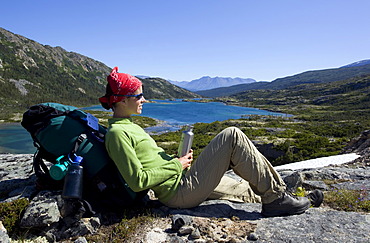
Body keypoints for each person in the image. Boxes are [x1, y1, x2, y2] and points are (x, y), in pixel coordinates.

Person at [99, 67, 322, 217]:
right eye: (139, 96)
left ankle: (293, 199)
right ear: (123, 100)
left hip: (184, 180)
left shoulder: (129, 126)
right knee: (232, 136)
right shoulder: (117, 134)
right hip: (178, 193)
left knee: (243, 189)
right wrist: (178, 164)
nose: (144, 100)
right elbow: (138, 180)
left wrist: (180, 162)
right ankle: (277, 199)